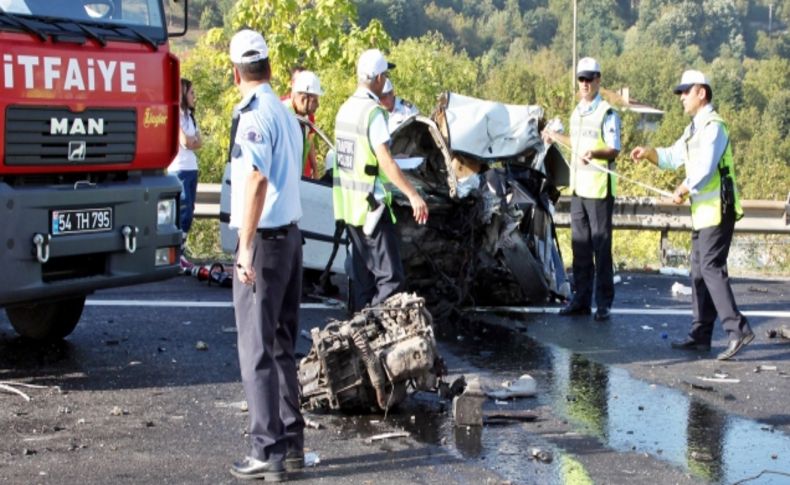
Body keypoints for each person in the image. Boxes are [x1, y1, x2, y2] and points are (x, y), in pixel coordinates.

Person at [630, 69, 753, 361]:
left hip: (718, 211)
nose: (682, 97)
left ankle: (738, 331)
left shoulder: (714, 127)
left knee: (710, 269)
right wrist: (649, 153)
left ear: (702, 92)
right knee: (698, 272)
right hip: (703, 213)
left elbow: (705, 168)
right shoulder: (694, 129)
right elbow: (674, 156)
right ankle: (701, 334)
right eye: (681, 92)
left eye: (686, 91)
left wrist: (683, 188)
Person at [227, 29, 306, 481]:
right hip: (290, 238)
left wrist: (244, 247)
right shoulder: (283, 110)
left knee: (256, 347)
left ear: (236, 72)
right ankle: (290, 444)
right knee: (281, 347)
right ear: (271, 69)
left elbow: (256, 179)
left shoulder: (256, 114)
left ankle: (266, 449)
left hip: (267, 241)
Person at [333, 48, 429, 312]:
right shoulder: (372, 113)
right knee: (391, 280)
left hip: (349, 209)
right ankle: (372, 330)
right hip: (371, 209)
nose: (385, 79)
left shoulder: (345, 110)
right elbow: (385, 161)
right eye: (384, 74)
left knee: (363, 281)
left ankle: (357, 341)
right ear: (376, 78)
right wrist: (412, 194)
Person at [543, 57, 621, 321]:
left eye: (590, 79)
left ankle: (604, 302)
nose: (585, 84)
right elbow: (575, 142)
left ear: (598, 80)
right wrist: (554, 137)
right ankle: (581, 300)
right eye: (581, 79)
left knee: (601, 247)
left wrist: (595, 153)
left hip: (599, 190)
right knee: (580, 248)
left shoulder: (607, 112)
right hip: (579, 189)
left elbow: (614, 149)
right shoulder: (577, 112)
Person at [167, 77, 202, 269]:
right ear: (183, 95)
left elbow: (199, 141)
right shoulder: (177, 117)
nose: (194, 96)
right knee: (183, 211)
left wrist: (193, 141)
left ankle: (180, 251)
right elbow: (186, 142)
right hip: (179, 168)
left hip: (192, 168)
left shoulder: (191, 117)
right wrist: (192, 141)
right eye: (191, 93)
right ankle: (175, 253)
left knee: (190, 211)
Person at [283, 70, 322, 179]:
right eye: (315, 100)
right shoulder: (283, 115)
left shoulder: (304, 119)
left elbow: (309, 142)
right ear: (303, 99)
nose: (318, 105)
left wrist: (315, 168)